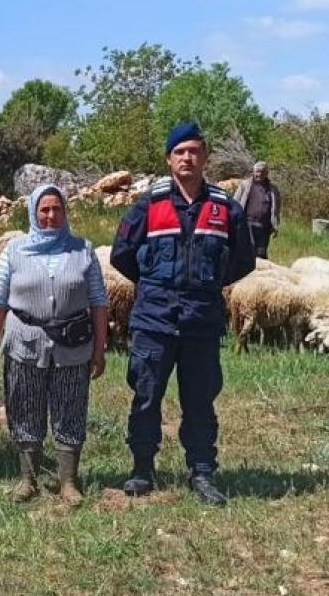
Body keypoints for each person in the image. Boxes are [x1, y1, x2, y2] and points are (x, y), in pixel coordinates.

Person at [109, 122, 255, 505]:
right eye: (180, 152)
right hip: (154, 321)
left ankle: (202, 473)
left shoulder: (225, 208)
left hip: (201, 322)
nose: (187, 158)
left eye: (194, 151)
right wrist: (155, 283)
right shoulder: (148, 206)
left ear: (205, 157)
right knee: (145, 397)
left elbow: (243, 260)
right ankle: (142, 469)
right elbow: (121, 254)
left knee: (200, 401)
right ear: (169, 159)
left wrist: (207, 283)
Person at [0, 184, 109, 506]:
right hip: (24, 343)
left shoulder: (82, 250)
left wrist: (99, 348)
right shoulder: (15, 251)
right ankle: (28, 480)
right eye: (44, 209)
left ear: (65, 212)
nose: (51, 215)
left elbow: (98, 300)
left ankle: (69, 482)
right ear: (33, 212)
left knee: (71, 408)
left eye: (57, 209)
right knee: (24, 407)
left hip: (73, 345)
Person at [232, 161, 281, 259]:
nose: (259, 174)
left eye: (262, 172)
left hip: (264, 228)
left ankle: (259, 269)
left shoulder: (273, 189)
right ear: (253, 172)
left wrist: (275, 225)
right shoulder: (245, 185)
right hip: (247, 225)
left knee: (261, 254)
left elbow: (276, 209)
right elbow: (235, 203)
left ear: (267, 173)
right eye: (257, 171)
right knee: (246, 252)